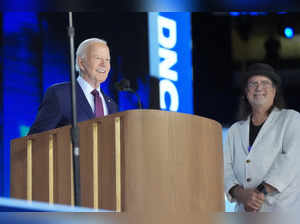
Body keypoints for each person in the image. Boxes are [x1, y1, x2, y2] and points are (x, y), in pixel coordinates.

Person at [224, 63, 300, 212]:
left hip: (281, 212)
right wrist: (241, 194)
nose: (259, 88)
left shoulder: (291, 119)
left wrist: (257, 194)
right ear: (246, 92)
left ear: (274, 91)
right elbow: (225, 167)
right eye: (253, 84)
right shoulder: (235, 130)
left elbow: (291, 160)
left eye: (265, 83)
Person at [28, 38, 118, 135]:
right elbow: (35, 140)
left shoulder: (111, 105)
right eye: (98, 58)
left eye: (107, 60)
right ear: (81, 62)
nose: (104, 64)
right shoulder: (60, 95)